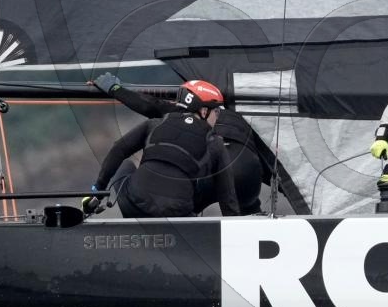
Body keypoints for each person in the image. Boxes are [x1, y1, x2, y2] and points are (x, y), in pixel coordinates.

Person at [89, 72, 271, 215]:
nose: (218, 116)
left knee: (164, 177)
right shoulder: (234, 128)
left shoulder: (162, 120)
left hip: (138, 202)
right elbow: (230, 198)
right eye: (217, 112)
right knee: (242, 205)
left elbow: (148, 106)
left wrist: (115, 88)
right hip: (247, 171)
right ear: (205, 111)